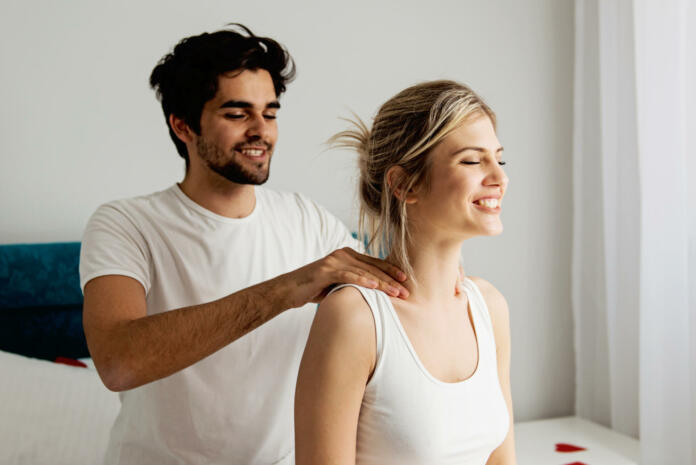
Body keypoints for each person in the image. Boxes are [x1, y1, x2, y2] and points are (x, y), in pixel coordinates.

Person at [79, 24, 412, 465]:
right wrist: (286, 290)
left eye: (270, 113)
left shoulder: (308, 222)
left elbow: (394, 307)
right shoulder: (126, 224)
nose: (261, 131)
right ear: (184, 126)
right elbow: (119, 362)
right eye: (237, 114)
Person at [295, 80, 517, 464]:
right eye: (471, 160)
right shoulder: (355, 318)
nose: (499, 177)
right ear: (405, 184)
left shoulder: (489, 308)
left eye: (499, 159)